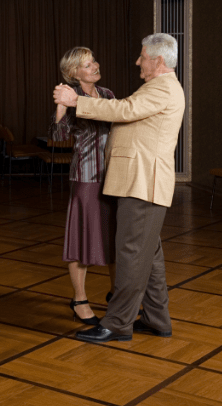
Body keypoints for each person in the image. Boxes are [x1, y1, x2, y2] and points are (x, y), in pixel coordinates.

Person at [54, 33, 185, 343]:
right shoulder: (159, 87)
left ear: (158, 61)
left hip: (142, 184)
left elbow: (124, 110)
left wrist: (77, 102)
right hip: (137, 181)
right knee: (147, 255)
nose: (138, 61)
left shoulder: (163, 87)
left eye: (142, 57)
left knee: (130, 255)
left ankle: (117, 323)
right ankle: (156, 319)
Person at [49, 47, 117, 325]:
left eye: (94, 61)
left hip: (114, 175)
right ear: (73, 73)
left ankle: (117, 295)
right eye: (87, 64)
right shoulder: (69, 95)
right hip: (86, 177)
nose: (94, 66)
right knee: (82, 239)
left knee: (115, 236)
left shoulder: (109, 94)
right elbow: (57, 136)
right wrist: (62, 106)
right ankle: (79, 299)